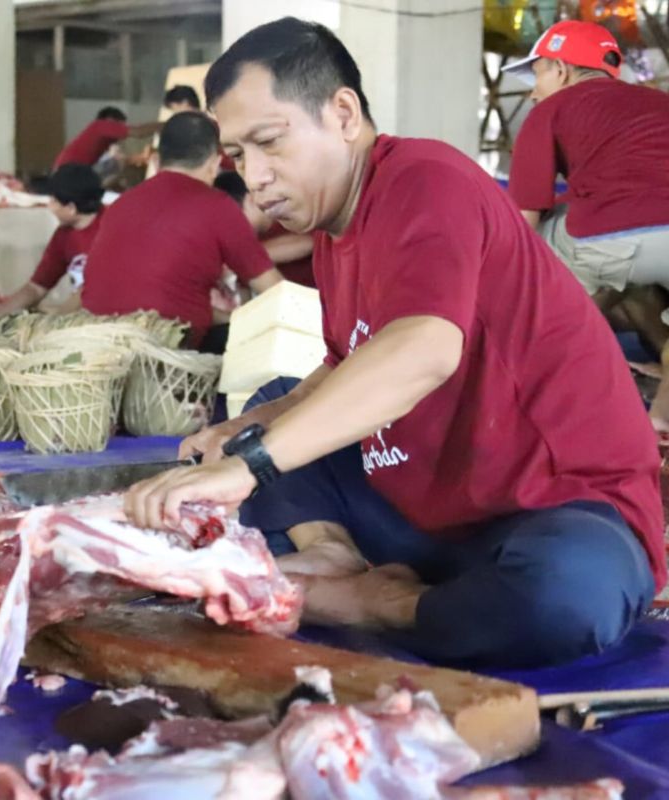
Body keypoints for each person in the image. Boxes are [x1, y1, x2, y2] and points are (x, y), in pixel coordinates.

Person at [123, 18, 664, 669]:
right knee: (270, 406)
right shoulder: (332, 230)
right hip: (429, 503)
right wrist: (248, 429)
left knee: (567, 597)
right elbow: (346, 363)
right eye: (239, 156)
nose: (256, 177)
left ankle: (369, 601)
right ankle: (331, 554)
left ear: (343, 113)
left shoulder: (427, 182)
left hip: (547, 507)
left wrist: (250, 468)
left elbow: (423, 349)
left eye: (269, 143)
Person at [504, 20, 669, 430]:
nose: (532, 90)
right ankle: (660, 425)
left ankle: (536, 383)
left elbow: (522, 224)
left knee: (545, 244)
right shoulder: (658, 101)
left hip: (610, 240)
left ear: (560, 70)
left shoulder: (551, 110)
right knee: (634, 277)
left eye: (538, 73)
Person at [80, 111, 280, 352]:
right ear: (214, 163)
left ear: (156, 160)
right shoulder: (217, 206)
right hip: (168, 353)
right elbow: (274, 290)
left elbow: (165, 296)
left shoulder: (120, 204)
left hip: (99, 347)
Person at [0, 164, 106, 315]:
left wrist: (57, 320)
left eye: (53, 201)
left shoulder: (112, 225)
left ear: (71, 208)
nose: (49, 206)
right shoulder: (64, 235)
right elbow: (37, 287)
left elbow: (93, 286)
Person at [214, 170, 315, 287]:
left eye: (233, 222)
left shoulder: (287, 212)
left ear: (250, 199)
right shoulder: (246, 241)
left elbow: (308, 243)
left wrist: (242, 258)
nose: (233, 230)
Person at [54, 107, 162, 170]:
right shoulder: (101, 125)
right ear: (110, 120)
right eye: (119, 125)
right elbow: (138, 132)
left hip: (72, 171)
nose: (119, 131)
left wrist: (142, 157)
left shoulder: (103, 140)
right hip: (69, 173)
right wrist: (168, 124)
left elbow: (121, 159)